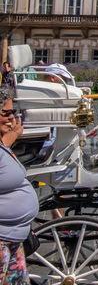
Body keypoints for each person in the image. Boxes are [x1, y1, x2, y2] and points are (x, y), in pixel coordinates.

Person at [0, 87, 37, 284]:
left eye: (13, 112)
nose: (12, 117)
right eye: (6, 113)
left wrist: (10, 138)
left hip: (13, 237)